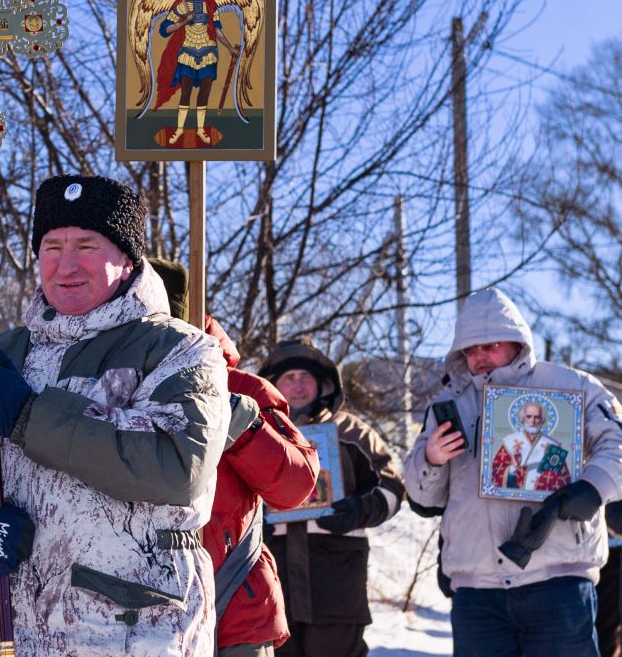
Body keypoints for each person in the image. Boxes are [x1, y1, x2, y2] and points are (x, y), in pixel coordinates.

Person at [0, 175, 230, 656]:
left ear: (128, 257)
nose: (66, 264)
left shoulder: (179, 351)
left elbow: (177, 464)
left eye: (86, 245)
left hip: (125, 639)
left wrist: (29, 416)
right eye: (51, 246)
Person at [404, 287, 622, 657]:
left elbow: (617, 439)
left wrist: (592, 488)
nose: (479, 357)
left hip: (557, 581)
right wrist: (431, 459)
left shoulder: (571, 386)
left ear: (517, 342)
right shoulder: (447, 405)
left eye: (489, 346)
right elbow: (422, 495)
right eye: (470, 350)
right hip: (477, 593)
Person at [148, 257, 321, 657]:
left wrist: (243, 426)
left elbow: (297, 486)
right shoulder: (113, 382)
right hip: (144, 610)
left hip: (235, 609)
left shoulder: (243, 388)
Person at [259, 337, 404, 657]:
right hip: (274, 585)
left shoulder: (351, 432)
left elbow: (393, 485)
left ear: (323, 383)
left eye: (306, 377)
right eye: (289, 378)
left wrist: (360, 510)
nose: (298, 386)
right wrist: (256, 522)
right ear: (274, 385)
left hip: (336, 584)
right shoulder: (257, 433)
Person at [155, 0, 240, 144]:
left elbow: (217, 30)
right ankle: (179, 130)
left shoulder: (210, 4)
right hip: (188, 50)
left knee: (204, 93)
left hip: (208, 50)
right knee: (185, 92)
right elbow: (164, 30)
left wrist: (229, 48)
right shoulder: (181, 4)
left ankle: (201, 130)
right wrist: (184, 22)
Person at [490, 401, 571, 491]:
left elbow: (564, 480)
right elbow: (495, 473)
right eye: (529, 417)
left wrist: (547, 477)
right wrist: (513, 468)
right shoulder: (510, 442)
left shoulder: (553, 445)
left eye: (537, 417)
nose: (532, 421)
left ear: (542, 420)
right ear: (522, 419)